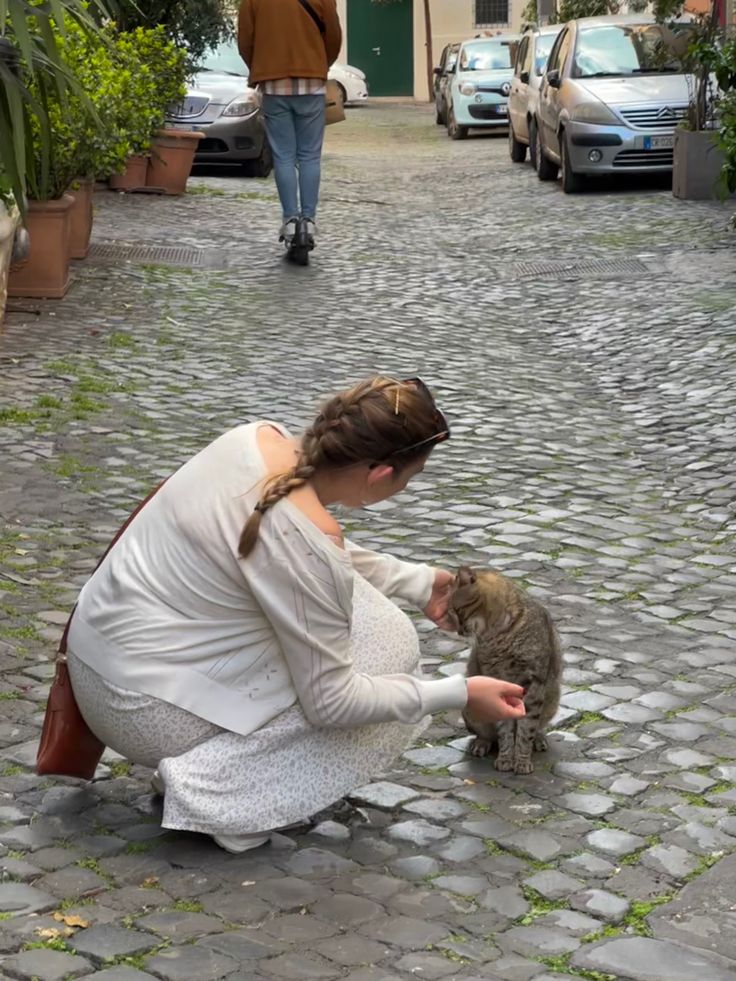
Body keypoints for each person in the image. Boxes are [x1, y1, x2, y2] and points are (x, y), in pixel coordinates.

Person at [67, 377, 526, 853]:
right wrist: (459, 692)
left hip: (97, 661)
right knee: (394, 660)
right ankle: (219, 795)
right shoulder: (305, 543)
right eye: (409, 478)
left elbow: (291, 553)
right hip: (143, 710)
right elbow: (332, 703)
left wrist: (415, 581)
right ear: (380, 474)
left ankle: (210, 773)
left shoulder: (254, 438)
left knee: (371, 622)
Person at [237, 0, 342, 248]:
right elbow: (334, 37)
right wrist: (318, 63)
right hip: (312, 84)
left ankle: (290, 220)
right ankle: (309, 219)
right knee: (309, 156)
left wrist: (261, 66)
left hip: (274, 84)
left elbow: (245, 40)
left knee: (283, 156)